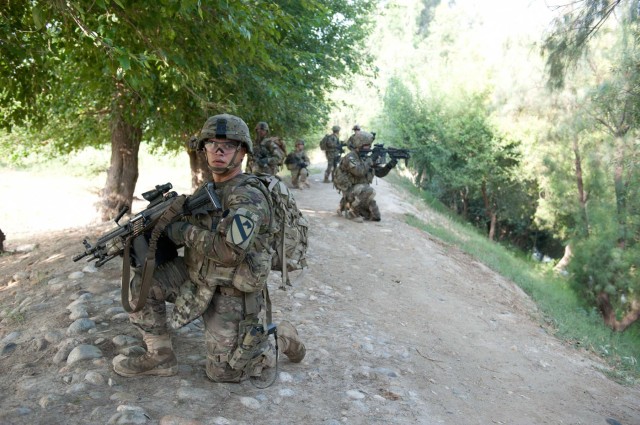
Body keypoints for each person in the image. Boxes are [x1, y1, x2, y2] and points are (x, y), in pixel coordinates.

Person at [112, 113, 305, 383]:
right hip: (196, 277)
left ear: (243, 151)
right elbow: (184, 236)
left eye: (229, 145)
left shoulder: (248, 196)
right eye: (212, 143)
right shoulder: (208, 190)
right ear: (204, 149)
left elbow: (229, 252)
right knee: (144, 282)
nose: (219, 150)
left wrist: (181, 230)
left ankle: (281, 337)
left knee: (225, 372)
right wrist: (149, 231)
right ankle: (160, 356)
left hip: (231, 293)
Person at [334, 130, 397, 223]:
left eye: (369, 145)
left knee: (376, 216)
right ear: (360, 144)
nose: (369, 147)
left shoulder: (365, 157)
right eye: (367, 145)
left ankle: (345, 204)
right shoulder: (350, 157)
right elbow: (359, 171)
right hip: (349, 189)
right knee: (368, 190)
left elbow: (380, 173)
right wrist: (372, 158)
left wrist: (390, 164)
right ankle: (352, 212)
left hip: (359, 191)